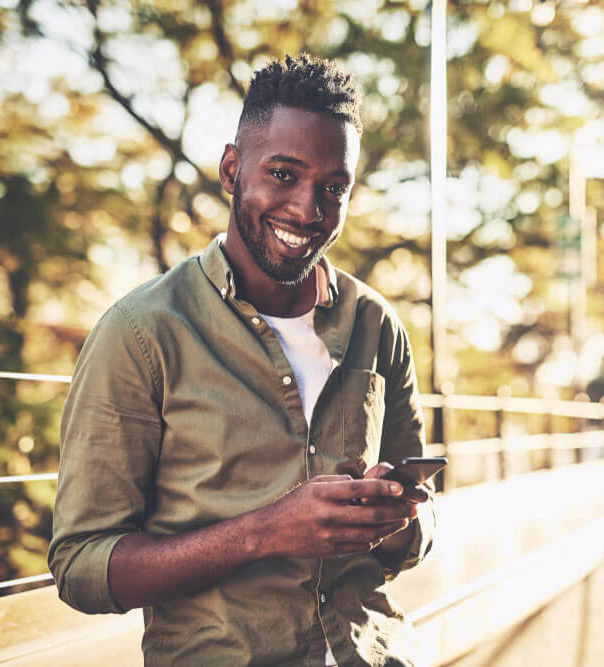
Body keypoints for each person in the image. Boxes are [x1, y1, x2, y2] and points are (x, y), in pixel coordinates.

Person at [48, 54, 435, 666]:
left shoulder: (376, 325)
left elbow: (420, 529)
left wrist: (397, 521)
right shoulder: (141, 333)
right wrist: (267, 531)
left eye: (333, 188)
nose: (309, 210)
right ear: (232, 169)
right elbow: (81, 567)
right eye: (283, 175)